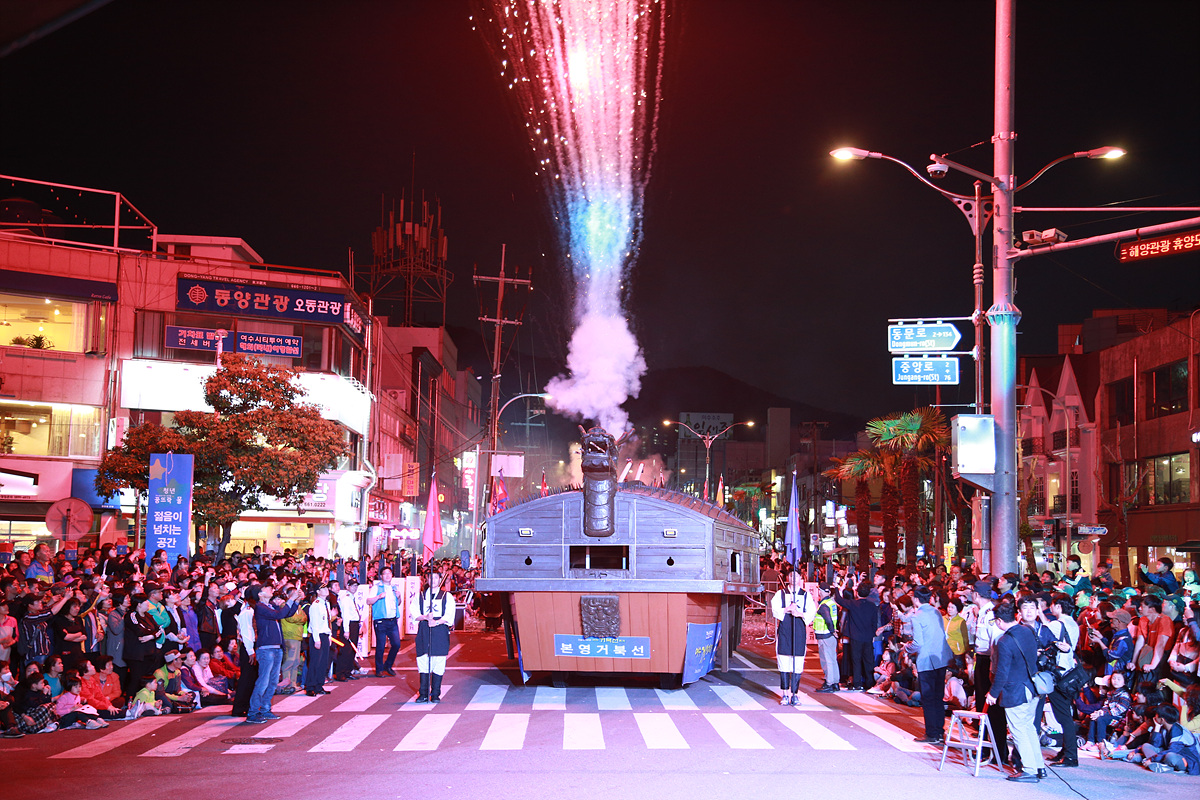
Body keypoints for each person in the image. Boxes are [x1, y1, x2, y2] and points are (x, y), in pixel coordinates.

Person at [986, 599, 1047, 783]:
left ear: (999, 621)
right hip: (1032, 687)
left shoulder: (1004, 641)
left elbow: (1002, 672)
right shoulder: (1027, 630)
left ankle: (1029, 770)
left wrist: (993, 693)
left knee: (1019, 730)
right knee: (1029, 728)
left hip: (1015, 691)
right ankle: (1039, 766)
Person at [246, 582, 300, 724]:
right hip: (266, 648)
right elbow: (281, 614)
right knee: (263, 682)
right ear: (260, 594)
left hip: (276, 647)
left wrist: (296, 601)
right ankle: (253, 712)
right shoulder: (260, 607)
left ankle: (265, 709)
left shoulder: (270, 606)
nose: (271, 589)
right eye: (266, 588)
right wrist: (291, 599)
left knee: (273, 681)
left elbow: (287, 613)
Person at [907, 585, 953, 744]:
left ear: (916, 599)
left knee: (928, 698)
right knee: (938, 697)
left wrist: (907, 648)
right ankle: (939, 731)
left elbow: (918, 643)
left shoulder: (917, 616)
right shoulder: (936, 612)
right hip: (940, 658)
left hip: (927, 660)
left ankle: (932, 733)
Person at [1040, 591, 1081, 767]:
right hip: (1068, 673)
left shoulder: (1057, 624)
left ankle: (1071, 756)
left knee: (1063, 716)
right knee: (1065, 713)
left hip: (1058, 673)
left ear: (1058, 606)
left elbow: (1044, 635)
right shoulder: (1073, 624)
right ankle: (1066, 751)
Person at [771, 570, 817, 706]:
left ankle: (795, 694)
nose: (793, 578)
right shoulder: (781, 594)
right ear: (788, 577)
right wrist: (787, 609)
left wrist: (800, 613)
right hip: (785, 630)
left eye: (796, 576)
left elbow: (811, 612)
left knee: (798, 663)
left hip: (799, 630)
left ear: (800, 578)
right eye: (791, 576)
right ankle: (785, 694)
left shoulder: (806, 595)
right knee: (784, 662)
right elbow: (775, 609)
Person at [414, 570, 456, 703]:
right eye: (430, 578)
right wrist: (425, 617)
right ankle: (423, 693)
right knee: (423, 660)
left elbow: (449, 615)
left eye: (436, 578)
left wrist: (436, 622)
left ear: (440, 580)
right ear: (427, 579)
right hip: (424, 630)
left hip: (440, 630)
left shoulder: (447, 596)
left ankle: (436, 693)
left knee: (439, 661)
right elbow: (414, 613)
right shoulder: (420, 596)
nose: (433, 580)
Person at [834, 574, 878, 691]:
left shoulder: (853, 604)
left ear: (857, 593)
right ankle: (869, 683)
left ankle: (857, 683)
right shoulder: (872, 606)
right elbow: (875, 622)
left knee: (856, 660)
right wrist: (872, 633)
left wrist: (836, 587)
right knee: (868, 661)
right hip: (868, 637)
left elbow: (839, 599)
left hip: (855, 636)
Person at [367, 567, 403, 677]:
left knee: (396, 644)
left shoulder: (394, 587)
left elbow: (398, 603)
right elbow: (368, 601)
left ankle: (388, 665)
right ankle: (379, 669)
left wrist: (399, 597)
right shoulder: (376, 588)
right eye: (385, 573)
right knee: (381, 646)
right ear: (381, 576)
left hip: (393, 620)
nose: (387, 575)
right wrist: (378, 597)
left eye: (389, 573)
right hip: (380, 621)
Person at [304, 584, 332, 697]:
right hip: (317, 636)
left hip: (325, 635)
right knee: (315, 662)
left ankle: (319, 686)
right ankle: (310, 687)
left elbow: (327, 622)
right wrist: (316, 639)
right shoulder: (315, 605)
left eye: (326, 588)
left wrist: (329, 636)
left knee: (323, 663)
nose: (326, 590)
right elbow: (314, 624)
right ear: (318, 592)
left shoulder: (326, 604)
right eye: (323, 588)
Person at [812, 581, 840, 693]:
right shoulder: (831, 603)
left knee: (827, 661)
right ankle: (835, 682)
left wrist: (832, 631)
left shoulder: (824, 605)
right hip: (830, 636)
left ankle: (829, 683)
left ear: (822, 591)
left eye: (819, 590)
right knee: (832, 660)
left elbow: (828, 620)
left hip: (825, 636)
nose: (819, 592)